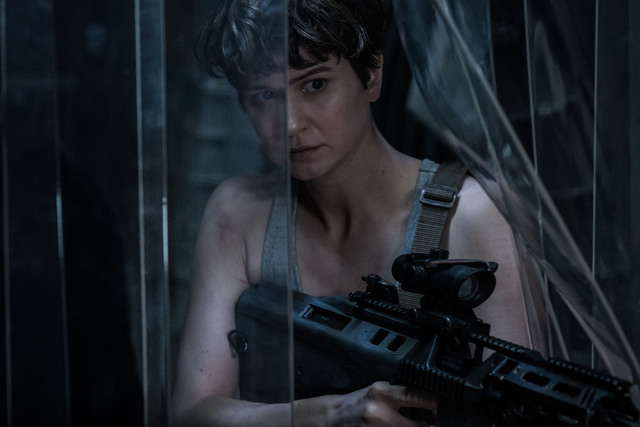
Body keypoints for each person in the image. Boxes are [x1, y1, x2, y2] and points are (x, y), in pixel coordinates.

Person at [172, 0, 533, 425]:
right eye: (265, 95)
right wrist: (326, 415)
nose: (290, 124)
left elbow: (521, 414)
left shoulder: (472, 216)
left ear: (372, 74)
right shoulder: (239, 215)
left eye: (315, 84)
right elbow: (191, 413)